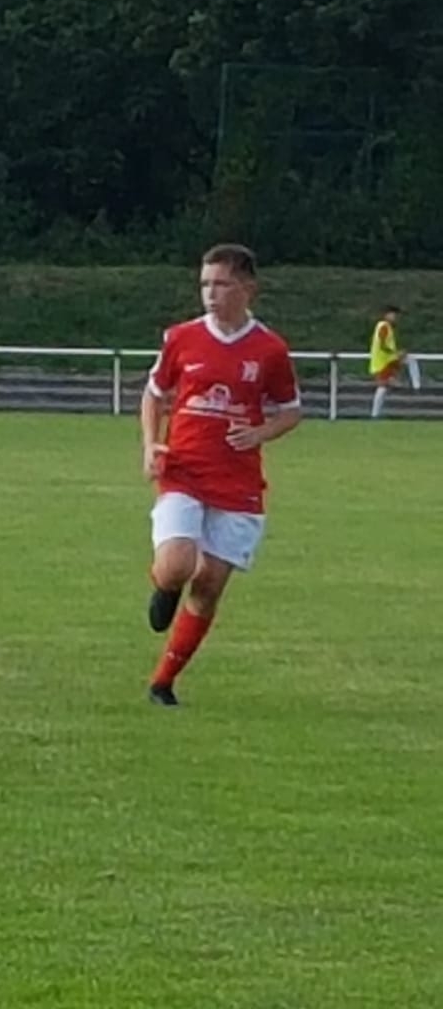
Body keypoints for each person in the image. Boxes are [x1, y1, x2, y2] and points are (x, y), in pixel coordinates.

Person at [141, 243, 300, 707]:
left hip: (238, 482)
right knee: (177, 565)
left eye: (222, 284)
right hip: (184, 470)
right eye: (205, 284)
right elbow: (154, 394)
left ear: (248, 288)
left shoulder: (270, 349)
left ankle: (163, 682)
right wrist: (150, 443)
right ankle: (165, 585)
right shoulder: (181, 338)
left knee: (209, 586)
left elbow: (290, 410)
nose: (211, 293)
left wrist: (260, 433)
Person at [369, 305, 420, 419]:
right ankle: (415, 387)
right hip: (384, 362)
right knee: (382, 387)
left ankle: (415, 386)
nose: (395, 317)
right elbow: (382, 345)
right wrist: (396, 352)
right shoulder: (384, 326)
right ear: (386, 315)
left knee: (410, 360)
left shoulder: (386, 327)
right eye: (393, 315)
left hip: (388, 360)